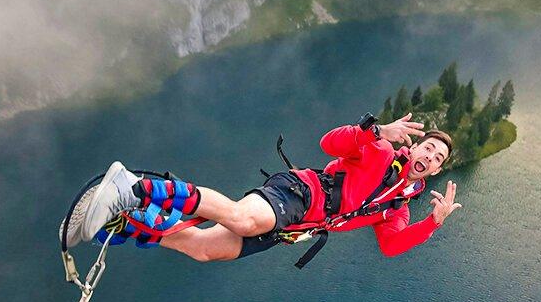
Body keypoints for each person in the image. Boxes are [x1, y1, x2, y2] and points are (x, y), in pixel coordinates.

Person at [65, 113, 462, 267]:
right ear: (416, 146)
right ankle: (136, 187)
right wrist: (374, 130)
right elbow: (329, 144)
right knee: (243, 217)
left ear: (437, 170)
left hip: (293, 227)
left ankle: (123, 221)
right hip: (301, 193)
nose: (431, 156)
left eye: (439, 158)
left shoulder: (398, 207)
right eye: (429, 147)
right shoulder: (380, 150)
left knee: (203, 249)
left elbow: (390, 246)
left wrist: (433, 223)